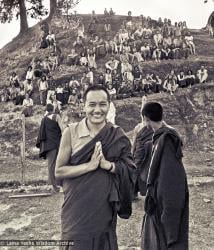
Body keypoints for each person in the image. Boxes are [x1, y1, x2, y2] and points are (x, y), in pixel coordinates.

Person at [55, 85, 136, 250]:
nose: (97, 110)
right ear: (83, 105)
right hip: (76, 208)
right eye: (92, 104)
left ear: (109, 105)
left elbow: (130, 169)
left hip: (103, 208)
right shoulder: (70, 132)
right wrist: (89, 166)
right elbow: (59, 171)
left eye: (102, 104)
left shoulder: (117, 135)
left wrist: (109, 165)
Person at [141, 102, 189, 250]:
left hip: (166, 200)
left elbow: (170, 178)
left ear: (146, 118)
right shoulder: (162, 135)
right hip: (161, 197)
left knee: (168, 238)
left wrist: (165, 209)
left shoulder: (166, 139)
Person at [36, 103, 64, 192]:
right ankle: (57, 185)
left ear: (47, 110)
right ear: (53, 109)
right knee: (58, 164)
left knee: (51, 165)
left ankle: (54, 185)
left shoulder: (44, 119)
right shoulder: (56, 117)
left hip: (48, 146)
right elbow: (62, 129)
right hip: (56, 143)